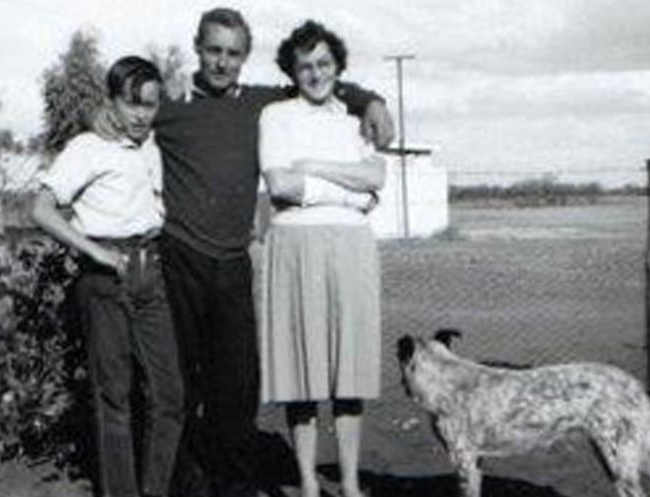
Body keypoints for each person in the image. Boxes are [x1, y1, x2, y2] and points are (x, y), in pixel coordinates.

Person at [94, 8, 393, 497]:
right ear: (197, 47)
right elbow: (124, 117)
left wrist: (372, 100)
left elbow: (320, 82)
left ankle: (234, 484)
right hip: (181, 257)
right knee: (181, 383)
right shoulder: (170, 108)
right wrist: (98, 115)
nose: (222, 62)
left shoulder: (261, 103)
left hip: (233, 261)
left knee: (237, 384)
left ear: (244, 58)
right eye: (214, 50)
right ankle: (186, 482)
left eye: (233, 54)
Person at [32, 56, 183, 497]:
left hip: (149, 270)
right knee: (114, 398)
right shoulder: (86, 147)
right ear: (111, 101)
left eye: (150, 104)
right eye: (130, 103)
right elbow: (40, 209)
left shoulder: (153, 145)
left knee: (169, 396)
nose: (140, 113)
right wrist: (95, 250)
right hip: (104, 276)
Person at [257, 20, 385, 497]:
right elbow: (280, 186)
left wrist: (313, 167)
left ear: (338, 67)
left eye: (324, 64)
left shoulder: (355, 118)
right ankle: (309, 483)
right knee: (302, 372)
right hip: (295, 247)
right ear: (292, 69)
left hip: (353, 247)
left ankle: (350, 484)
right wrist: (349, 190)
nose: (315, 74)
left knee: (349, 372)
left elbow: (377, 177)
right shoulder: (275, 115)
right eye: (305, 65)